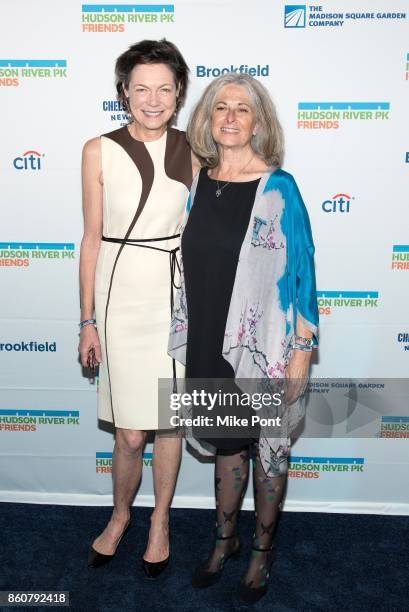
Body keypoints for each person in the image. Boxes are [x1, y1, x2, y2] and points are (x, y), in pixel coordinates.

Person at [168, 73, 319, 603]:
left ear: (260, 122)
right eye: (220, 108)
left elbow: (302, 273)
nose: (230, 118)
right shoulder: (199, 183)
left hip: (267, 347)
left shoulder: (279, 186)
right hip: (209, 335)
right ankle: (224, 540)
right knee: (228, 442)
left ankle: (261, 552)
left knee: (268, 450)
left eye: (243, 110)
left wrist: (302, 354)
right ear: (208, 119)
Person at [79, 39, 197, 578]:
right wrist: (86, 320)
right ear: (124, 91)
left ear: (179, 94)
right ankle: (121, 514)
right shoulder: (97, 149)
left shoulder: (197, 149)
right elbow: (90, 240)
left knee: (168, 424)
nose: (153, 99)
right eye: (141, 88)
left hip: (175, 298)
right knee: (129, 432)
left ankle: (161, 521)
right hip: (118, 296)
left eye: (165, 89)